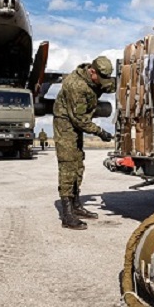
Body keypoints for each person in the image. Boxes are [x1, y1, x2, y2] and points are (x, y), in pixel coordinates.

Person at [53, 56, 115, 230]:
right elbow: (79, 120)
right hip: (66, 124)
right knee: (68, 165)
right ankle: (67, 215)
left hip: (77, 123)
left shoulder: (94, 77)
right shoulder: (75, 85)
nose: (101, 82)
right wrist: (100, 132)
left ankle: (76, 205)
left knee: (78, 163)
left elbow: (109, 85)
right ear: (92, 71)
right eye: (100, 78)